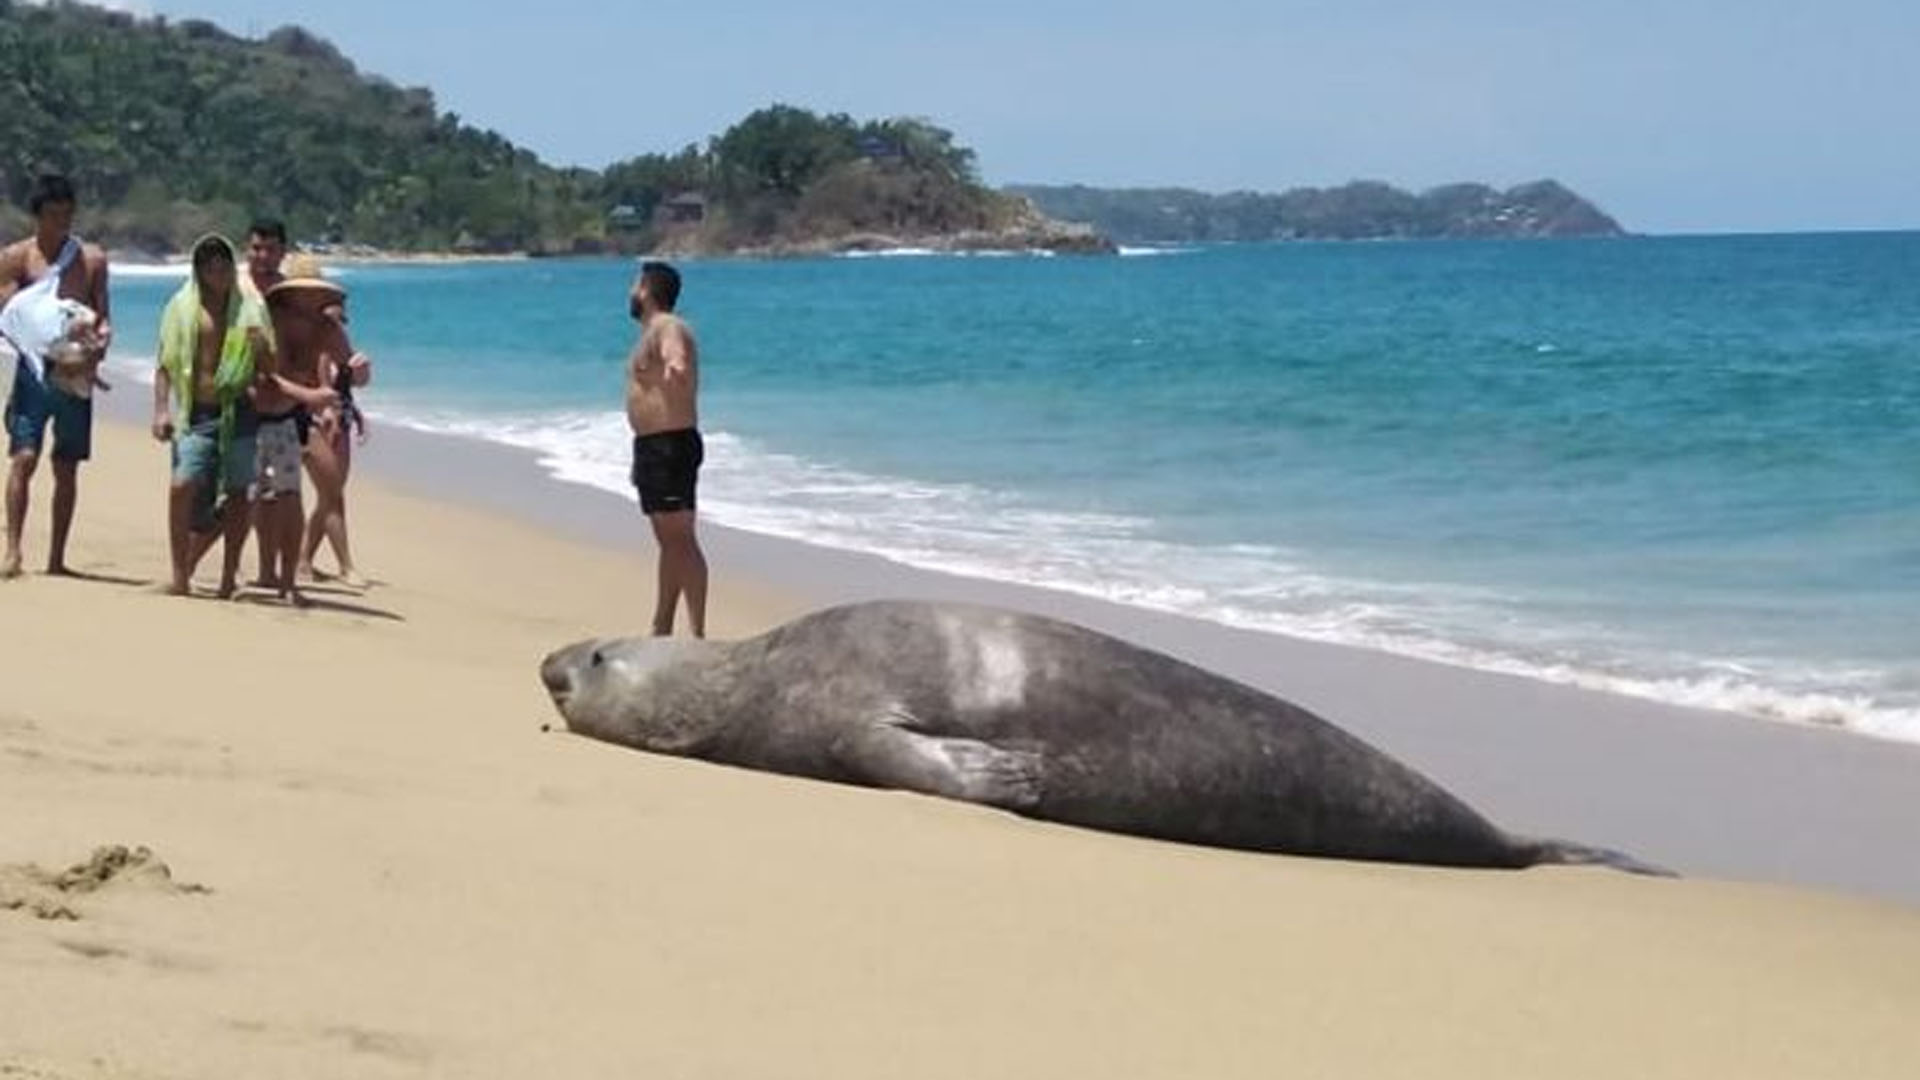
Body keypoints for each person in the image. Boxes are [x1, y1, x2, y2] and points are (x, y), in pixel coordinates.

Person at [0, 174, 112, 579]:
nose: (61, 223)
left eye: (67, 215)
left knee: (66, 466)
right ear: (37, 216)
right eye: (52, 215)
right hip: (34, 372)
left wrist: (94, 352)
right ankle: (12, 550)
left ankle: (56, 558)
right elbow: (8, 319)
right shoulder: (16, 258)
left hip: (76, 375)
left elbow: (103, 318)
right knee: (23, 458)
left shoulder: (92, 260)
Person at [153, 234, 272, 598]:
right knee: (181, 486)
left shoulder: (250, 309)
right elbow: (164, 364)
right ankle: (179, 574)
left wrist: (260, 348)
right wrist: (161, 410)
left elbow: (270, 367)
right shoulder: (182, 307)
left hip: (240, 411)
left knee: (239, 494)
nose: (217, 274)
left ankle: (227, 576)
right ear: (199, 270)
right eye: (209, 268)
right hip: (198, 413)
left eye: (223, 267)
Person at [266, 254, 368, 587]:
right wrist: (318, 402)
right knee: (261, 496)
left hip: (303, 415)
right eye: (302, 291)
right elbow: (265, 376)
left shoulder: (328, 328)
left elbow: (350, 373)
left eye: (314, 292)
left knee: (330, 486)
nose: (308, 298)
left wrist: (361, 374)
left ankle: (301, 561)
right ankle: (274, 568)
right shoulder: (273, 321)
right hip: (267, 411)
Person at [625, 260, 707, 638]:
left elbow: (677, 358)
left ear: (646, 289)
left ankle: (696, 632)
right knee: (667, 540)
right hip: (652, 447)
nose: (630, 292)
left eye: (634, 284)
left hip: (670, 445)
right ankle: (662, 624)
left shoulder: (667, 327)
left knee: (681, 537)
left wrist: (677, 366)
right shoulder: (648, 333)